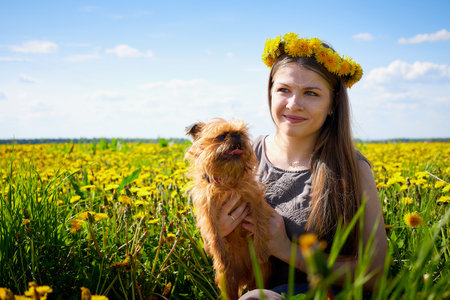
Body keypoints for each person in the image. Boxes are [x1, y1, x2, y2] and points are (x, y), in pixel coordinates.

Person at [216, 33, 388, 299]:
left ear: (333, 104)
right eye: (284, 90)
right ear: (270, 93)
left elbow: (375, 275)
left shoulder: (352, 169)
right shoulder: (244, 156)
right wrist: (221, 236)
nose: (293, 104)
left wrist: (285, 248)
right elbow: (226, 263)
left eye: (311, 93)